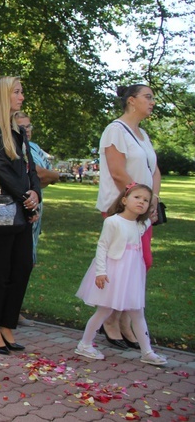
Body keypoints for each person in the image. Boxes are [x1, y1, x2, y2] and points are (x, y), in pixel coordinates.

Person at [0, 76, 41, 355]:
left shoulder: (18, 130)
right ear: (2, 95)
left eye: (21, 91)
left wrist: (35, 192)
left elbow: (29, 167)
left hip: (22, 210)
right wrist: (27, 197)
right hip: (0, 210)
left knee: (22, 266)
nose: (21, 97)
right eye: (16, 92)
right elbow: (1, 170)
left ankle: (7, 324)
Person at [95, 84, 161, 351]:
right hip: (122, 212)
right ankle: (109, 321)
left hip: (143, 212)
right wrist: (138, 203)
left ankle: (123, 321)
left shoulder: (143, 135)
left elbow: (154, 170)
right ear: (131, 101)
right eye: (148, 97)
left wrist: (152, 201)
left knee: (139, 264)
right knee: (119, 265)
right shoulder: (115, 131)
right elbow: (118, 172)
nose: (152, 102)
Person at [74, 183, 166, 365]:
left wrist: (153, 215)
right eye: (137, 197)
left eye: (146, 200)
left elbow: (149, 221)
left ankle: (147, 351)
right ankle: (84, 344)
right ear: (124, 200)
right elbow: (102, 246)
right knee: (105, 309)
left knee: (137, 311)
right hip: (114, 271)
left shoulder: (140, 224)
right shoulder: (113, 222)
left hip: (132, 273)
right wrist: (100, 272)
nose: (141, 202)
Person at [13, 112, 60, 327]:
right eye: (22, 126)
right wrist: (42, 176)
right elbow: (39, 175)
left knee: (29, 259)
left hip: (37, 207)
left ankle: (15, 307)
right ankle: (9, 309)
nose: (27, 129)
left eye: (29, 125)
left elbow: (50, 175)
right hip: (21, 208)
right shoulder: (16, 146)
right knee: (18, 260)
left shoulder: (35, 148)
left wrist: (44, 176)